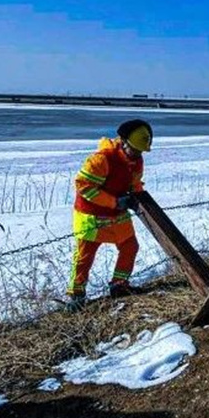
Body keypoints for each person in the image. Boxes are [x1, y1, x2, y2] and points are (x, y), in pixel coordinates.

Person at [66, 119, 152, 311]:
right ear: (123, 142)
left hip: (117, 214)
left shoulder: (136, 160)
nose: (137, 155)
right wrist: (113, 201)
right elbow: (83, 185)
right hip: (91, 216)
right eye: (134, 150)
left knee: (130, 246)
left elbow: (135, 183)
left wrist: (139, 198)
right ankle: (76, 295)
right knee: (84, 257)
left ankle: (119, 286)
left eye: (141, 151)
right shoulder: (101, 159)